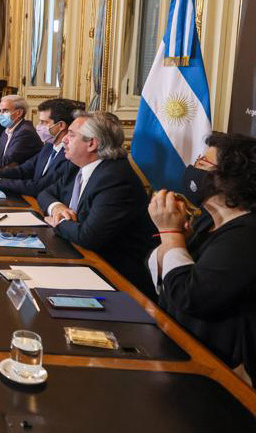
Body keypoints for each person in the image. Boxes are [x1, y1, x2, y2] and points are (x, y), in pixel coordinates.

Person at [147, 132, 256, 384]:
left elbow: (191, 297)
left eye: (202, 163)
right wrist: (173, 240)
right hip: (178, 344)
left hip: (218, 370)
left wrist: (171, 234)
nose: (193, 168)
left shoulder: (246, 235)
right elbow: (166, 284)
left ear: (230, 178)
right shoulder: (208, 219)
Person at [37, 111, 158, 299]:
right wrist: (57, 207)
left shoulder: (115, 178)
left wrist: (58, 222)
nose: (65, 140)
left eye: (71, 134)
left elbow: (88, 237)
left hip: (117, 280)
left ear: (92, 143)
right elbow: (45, 193)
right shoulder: (78, 166)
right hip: (81, 258)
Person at [0, 98, 80, 197]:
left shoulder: (69, 154)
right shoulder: (49, 146)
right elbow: (24, 170)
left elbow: (38, 187)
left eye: (44, 122)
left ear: (61, 125)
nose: (38, 126)